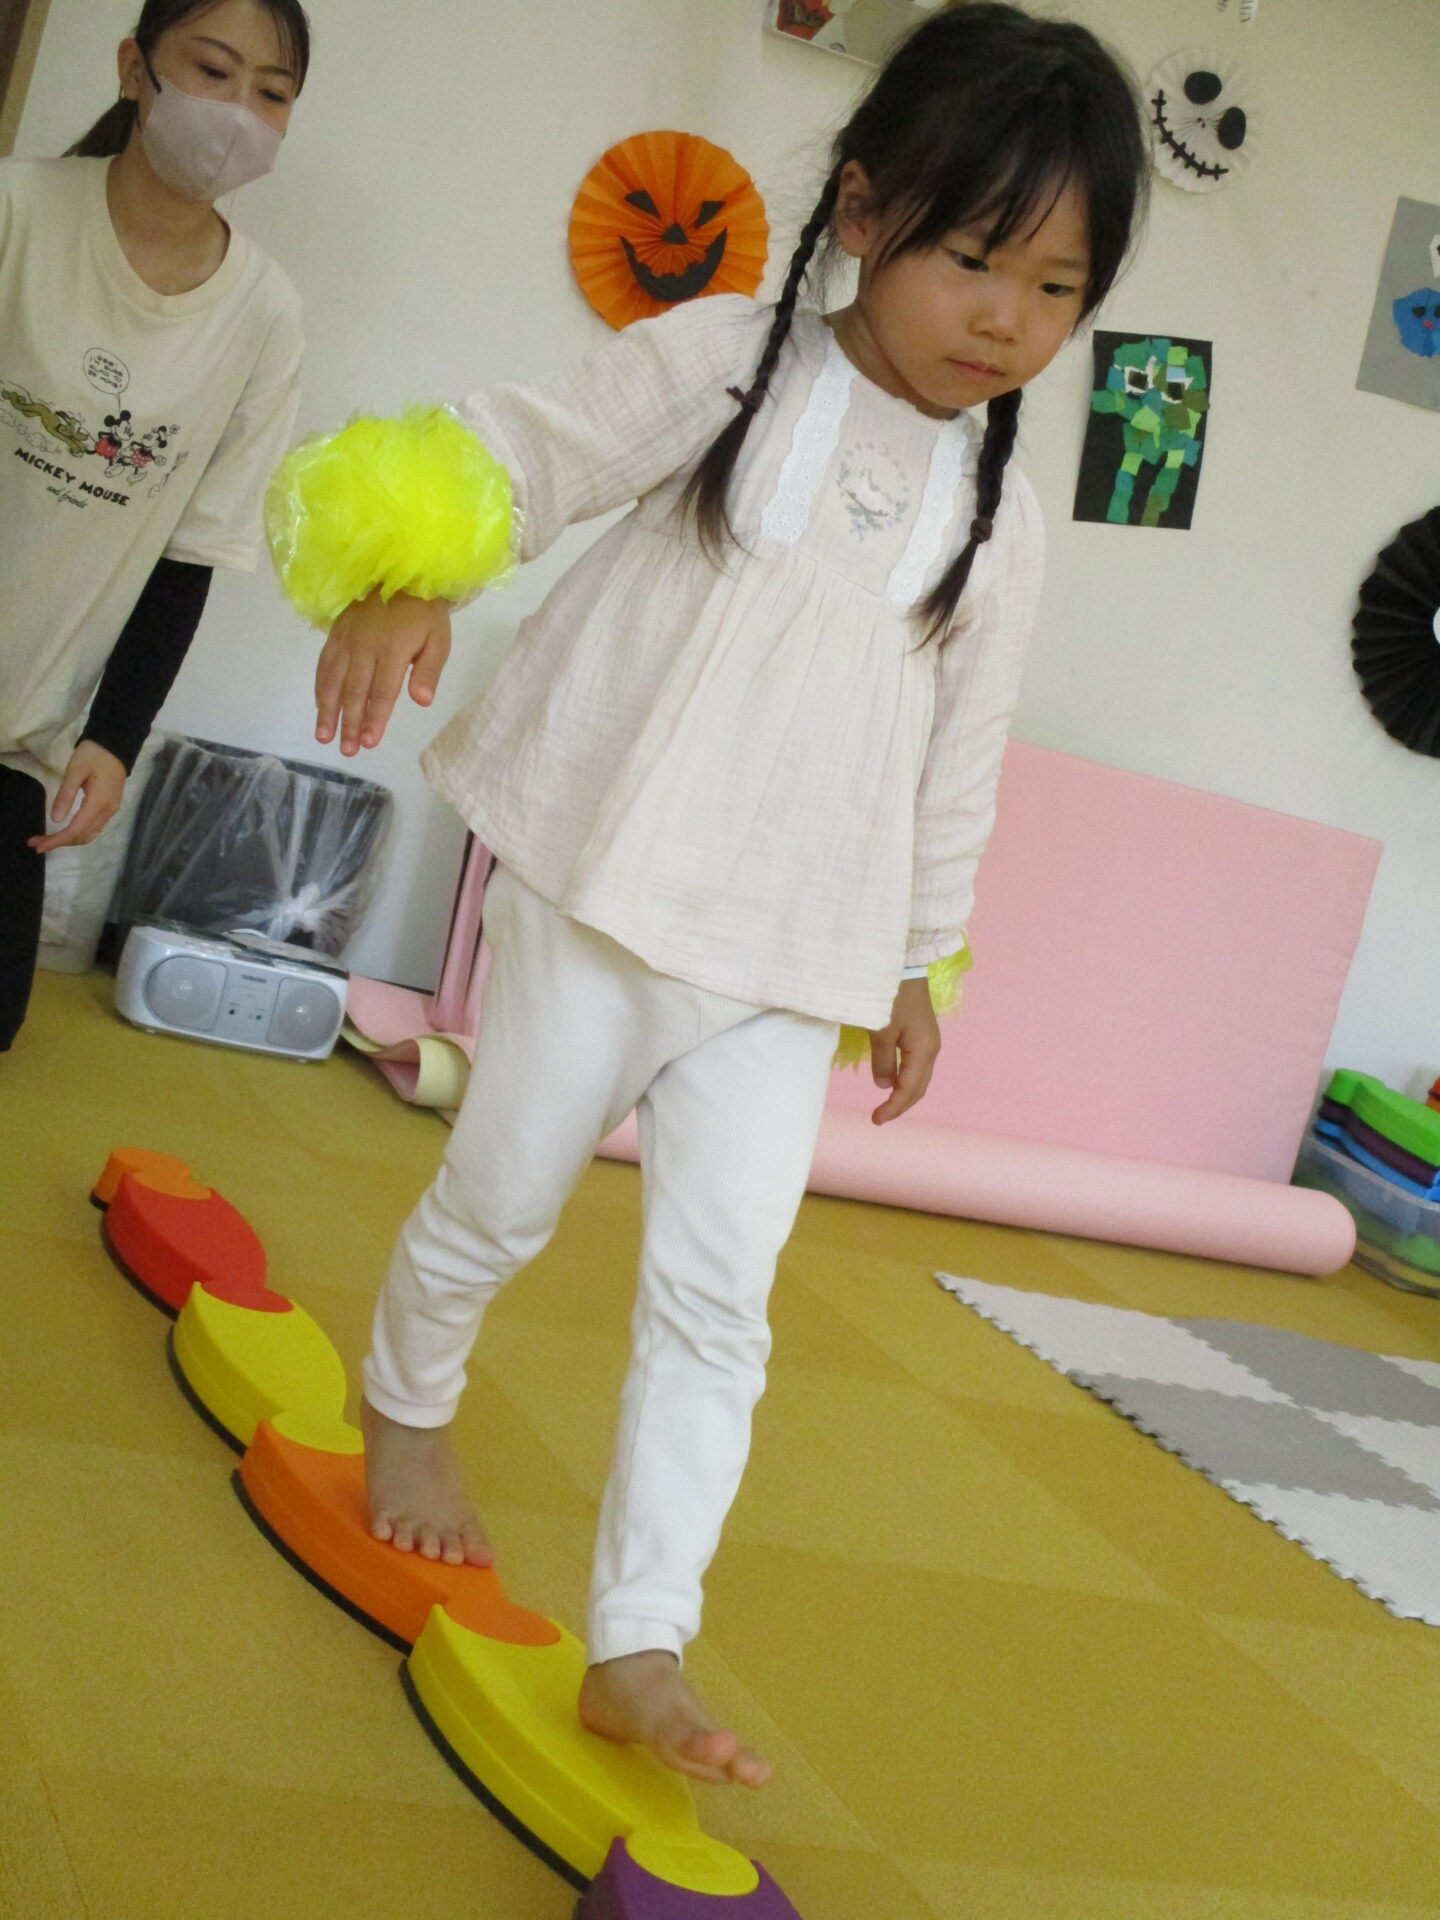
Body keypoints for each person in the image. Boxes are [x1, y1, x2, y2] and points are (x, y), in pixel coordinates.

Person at [299, 2, 1147, 1787]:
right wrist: (410, 570)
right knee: (503, 1193)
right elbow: (530, 447)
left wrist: (919, 962)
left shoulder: (1001, 518)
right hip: (605, 888)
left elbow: (960, 757)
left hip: (791, 957)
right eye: (975, 260)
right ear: (865, 211)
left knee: (720, 1301)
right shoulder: (730, 365)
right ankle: (408, 1402)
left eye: (1058, 288)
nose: (1007, 319)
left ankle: (643, 1634)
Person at [0, 0, 310, 1050]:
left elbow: (194, 553)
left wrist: (114, 738)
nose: (237, 112)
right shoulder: (18, 210)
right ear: (136, 69)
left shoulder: (265, 316)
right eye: (212, 71)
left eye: (271, 93)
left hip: (19, 738)